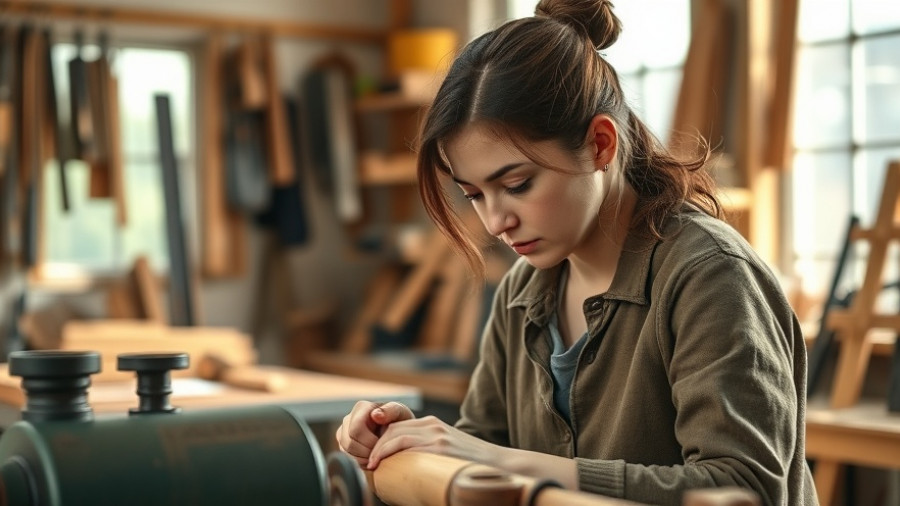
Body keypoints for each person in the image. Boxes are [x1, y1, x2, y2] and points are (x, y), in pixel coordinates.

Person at [336, 1, 818, 504]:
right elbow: (482, 447)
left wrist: (501, 462)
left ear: (600, 145)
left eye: (518, 184)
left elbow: (746, 488)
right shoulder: (522, 292)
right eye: (474, 195)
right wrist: (413, 445)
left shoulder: (710, 276)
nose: (495, 222)